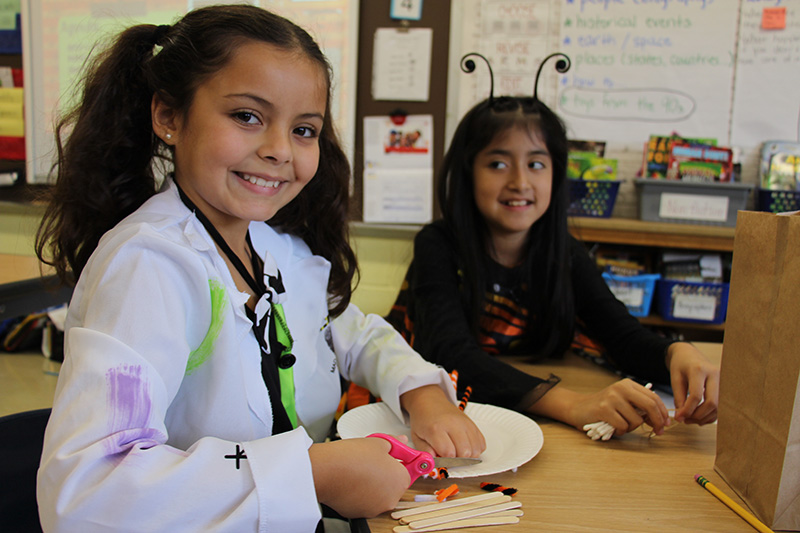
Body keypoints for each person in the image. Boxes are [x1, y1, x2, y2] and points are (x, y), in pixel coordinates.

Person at [33, 6, 484, 531]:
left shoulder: (272, 249)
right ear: (168, 116)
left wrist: (422, 393)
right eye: (247, 116)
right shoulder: (150, 266)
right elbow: (87, 491)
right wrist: (311, 473)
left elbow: (354, 334)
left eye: (304, 129)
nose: (278, 150)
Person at [384, 57, 719, 441]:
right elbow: (453, 358)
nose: (519, 181)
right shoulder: (438, 245)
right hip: (442, 419)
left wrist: (677, 354)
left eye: (537, 164)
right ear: (466, 172)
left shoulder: (567, 254)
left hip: (523, 419)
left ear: (556, 174)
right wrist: (574, 405)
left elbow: (622, 336)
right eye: (497, 163)